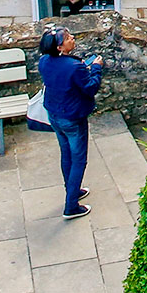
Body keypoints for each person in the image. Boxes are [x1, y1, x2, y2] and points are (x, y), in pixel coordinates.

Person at [37, 27, 101, 220]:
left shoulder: (44, 62)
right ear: (60, 47)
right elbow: (90, 88)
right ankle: (71, 206)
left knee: (66, 154)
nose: (73, 38)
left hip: (54, 114)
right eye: (68, 38)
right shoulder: (75, 67)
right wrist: (96, 68)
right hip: (72, 118)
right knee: (79, 159)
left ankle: (72, 190)